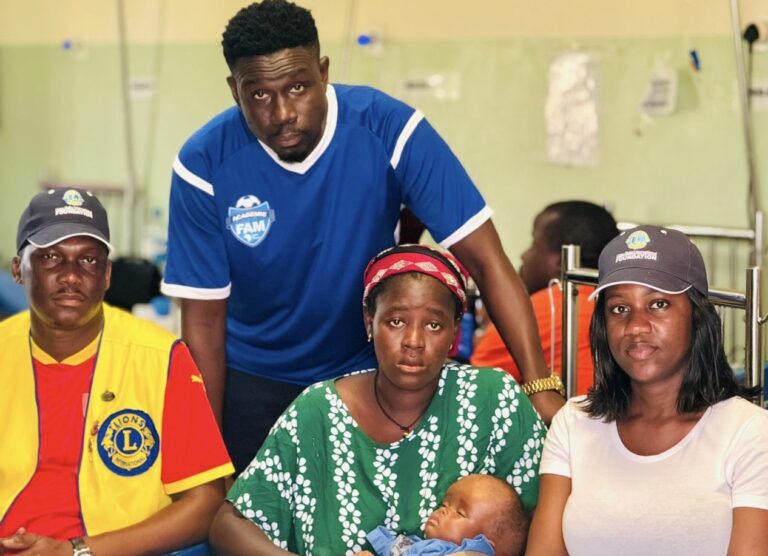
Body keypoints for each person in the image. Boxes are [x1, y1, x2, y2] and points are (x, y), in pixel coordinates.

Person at [160, 0, 562, 473]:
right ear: (235, 90)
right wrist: (206, 457)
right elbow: (203, 324)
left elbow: (487, 262)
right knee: (242, 515)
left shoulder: (391, 130)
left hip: (361, 374)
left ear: (323, 72)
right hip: (252, 381)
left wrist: (539, 384)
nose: (282, 113)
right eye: (260, 94)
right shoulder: (203, 164)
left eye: (297, 87)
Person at [209, 245, 545, 556]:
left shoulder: (491, 399)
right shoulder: (319, 411)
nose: (413, 341)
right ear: (370, 321)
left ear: (455, 331)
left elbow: (544, 519)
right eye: (396, 321)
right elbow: (229, 525)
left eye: (434, 325)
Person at [0, 189, 233, 555]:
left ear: (107, 274)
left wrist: (76, 551)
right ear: (18, 269)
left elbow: (206, 504)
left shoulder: (161, 358)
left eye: (88, 260)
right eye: (51, 257)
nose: (71, 276)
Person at [526, 226, 768, 556]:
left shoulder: (749, 432)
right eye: (619, 309)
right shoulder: (574, 423)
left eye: (658, 304)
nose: (636, 326)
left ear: (697, 317)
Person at [471, 201, 617, 395]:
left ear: (560, 260)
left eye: (534, 245)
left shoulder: (538, 309)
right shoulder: (618, 304)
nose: (524, 256)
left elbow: (475, 384)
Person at [360, 474, 530, 556]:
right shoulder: (418, 545)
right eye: (444, 504)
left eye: (460, 512)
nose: (443, 510)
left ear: (484, 546)